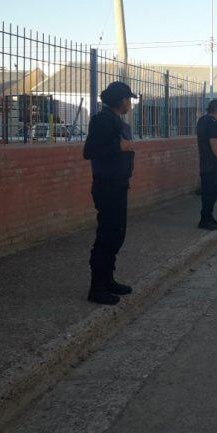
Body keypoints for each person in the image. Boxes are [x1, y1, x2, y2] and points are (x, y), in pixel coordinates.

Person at [83, 81, 136, 306]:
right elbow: (89, 151)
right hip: (107, 186)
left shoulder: (114, 119)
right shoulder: (102, 120)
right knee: (107, 236)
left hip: (117, 184)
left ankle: (108, 280)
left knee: (117, 234)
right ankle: (97, 287)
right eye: (129, 99)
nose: (131, 103)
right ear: (122, 100)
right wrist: (119, 147)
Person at [197, 99, 217, 230]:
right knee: (211, 193)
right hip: (212, 163)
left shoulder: (202, 120)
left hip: (204, 162)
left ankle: (208, 217)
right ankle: (205, 220)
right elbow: (214, 143)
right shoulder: (215, 125)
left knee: (207, 193)